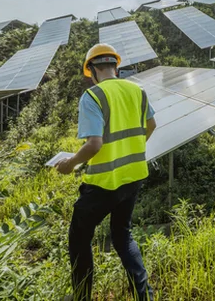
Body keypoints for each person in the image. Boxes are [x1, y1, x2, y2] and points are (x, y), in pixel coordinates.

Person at [55, 43, 156, 301]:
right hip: (133, 176)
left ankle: (81, 296)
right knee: (122, 235)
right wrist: (131, 149)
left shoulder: (93, 96)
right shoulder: (138, 90)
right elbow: (152, 124)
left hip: (103, 183)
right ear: (116, 66)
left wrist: (71, 163)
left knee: (79, 238)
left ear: (91, 70)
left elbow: (94, 144)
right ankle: (144, 296)